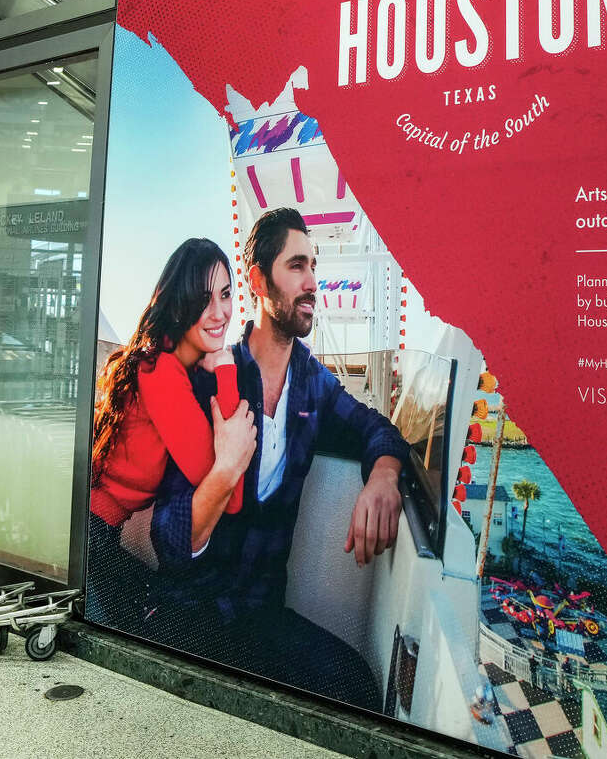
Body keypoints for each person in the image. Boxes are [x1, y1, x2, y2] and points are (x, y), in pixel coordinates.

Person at [146, 208, 409, 711]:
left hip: (260, 616)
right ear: (258, 281)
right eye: (296, 266)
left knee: (355, 686)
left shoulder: (315, 384)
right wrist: (224, 475)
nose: (313, 282)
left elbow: (376, 427)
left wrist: (384, 475)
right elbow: (169, 531)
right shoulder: (208, 377)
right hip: (188, 612)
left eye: (314, 266)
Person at [87, 238, 256, 626]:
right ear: (180, 304)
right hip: (96, 539)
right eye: (203, 299)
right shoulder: (160, 372)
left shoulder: (173, 367)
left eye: (226, 294)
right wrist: (227, 368)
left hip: (108, 535)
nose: (219, 313)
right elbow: (231, 495)